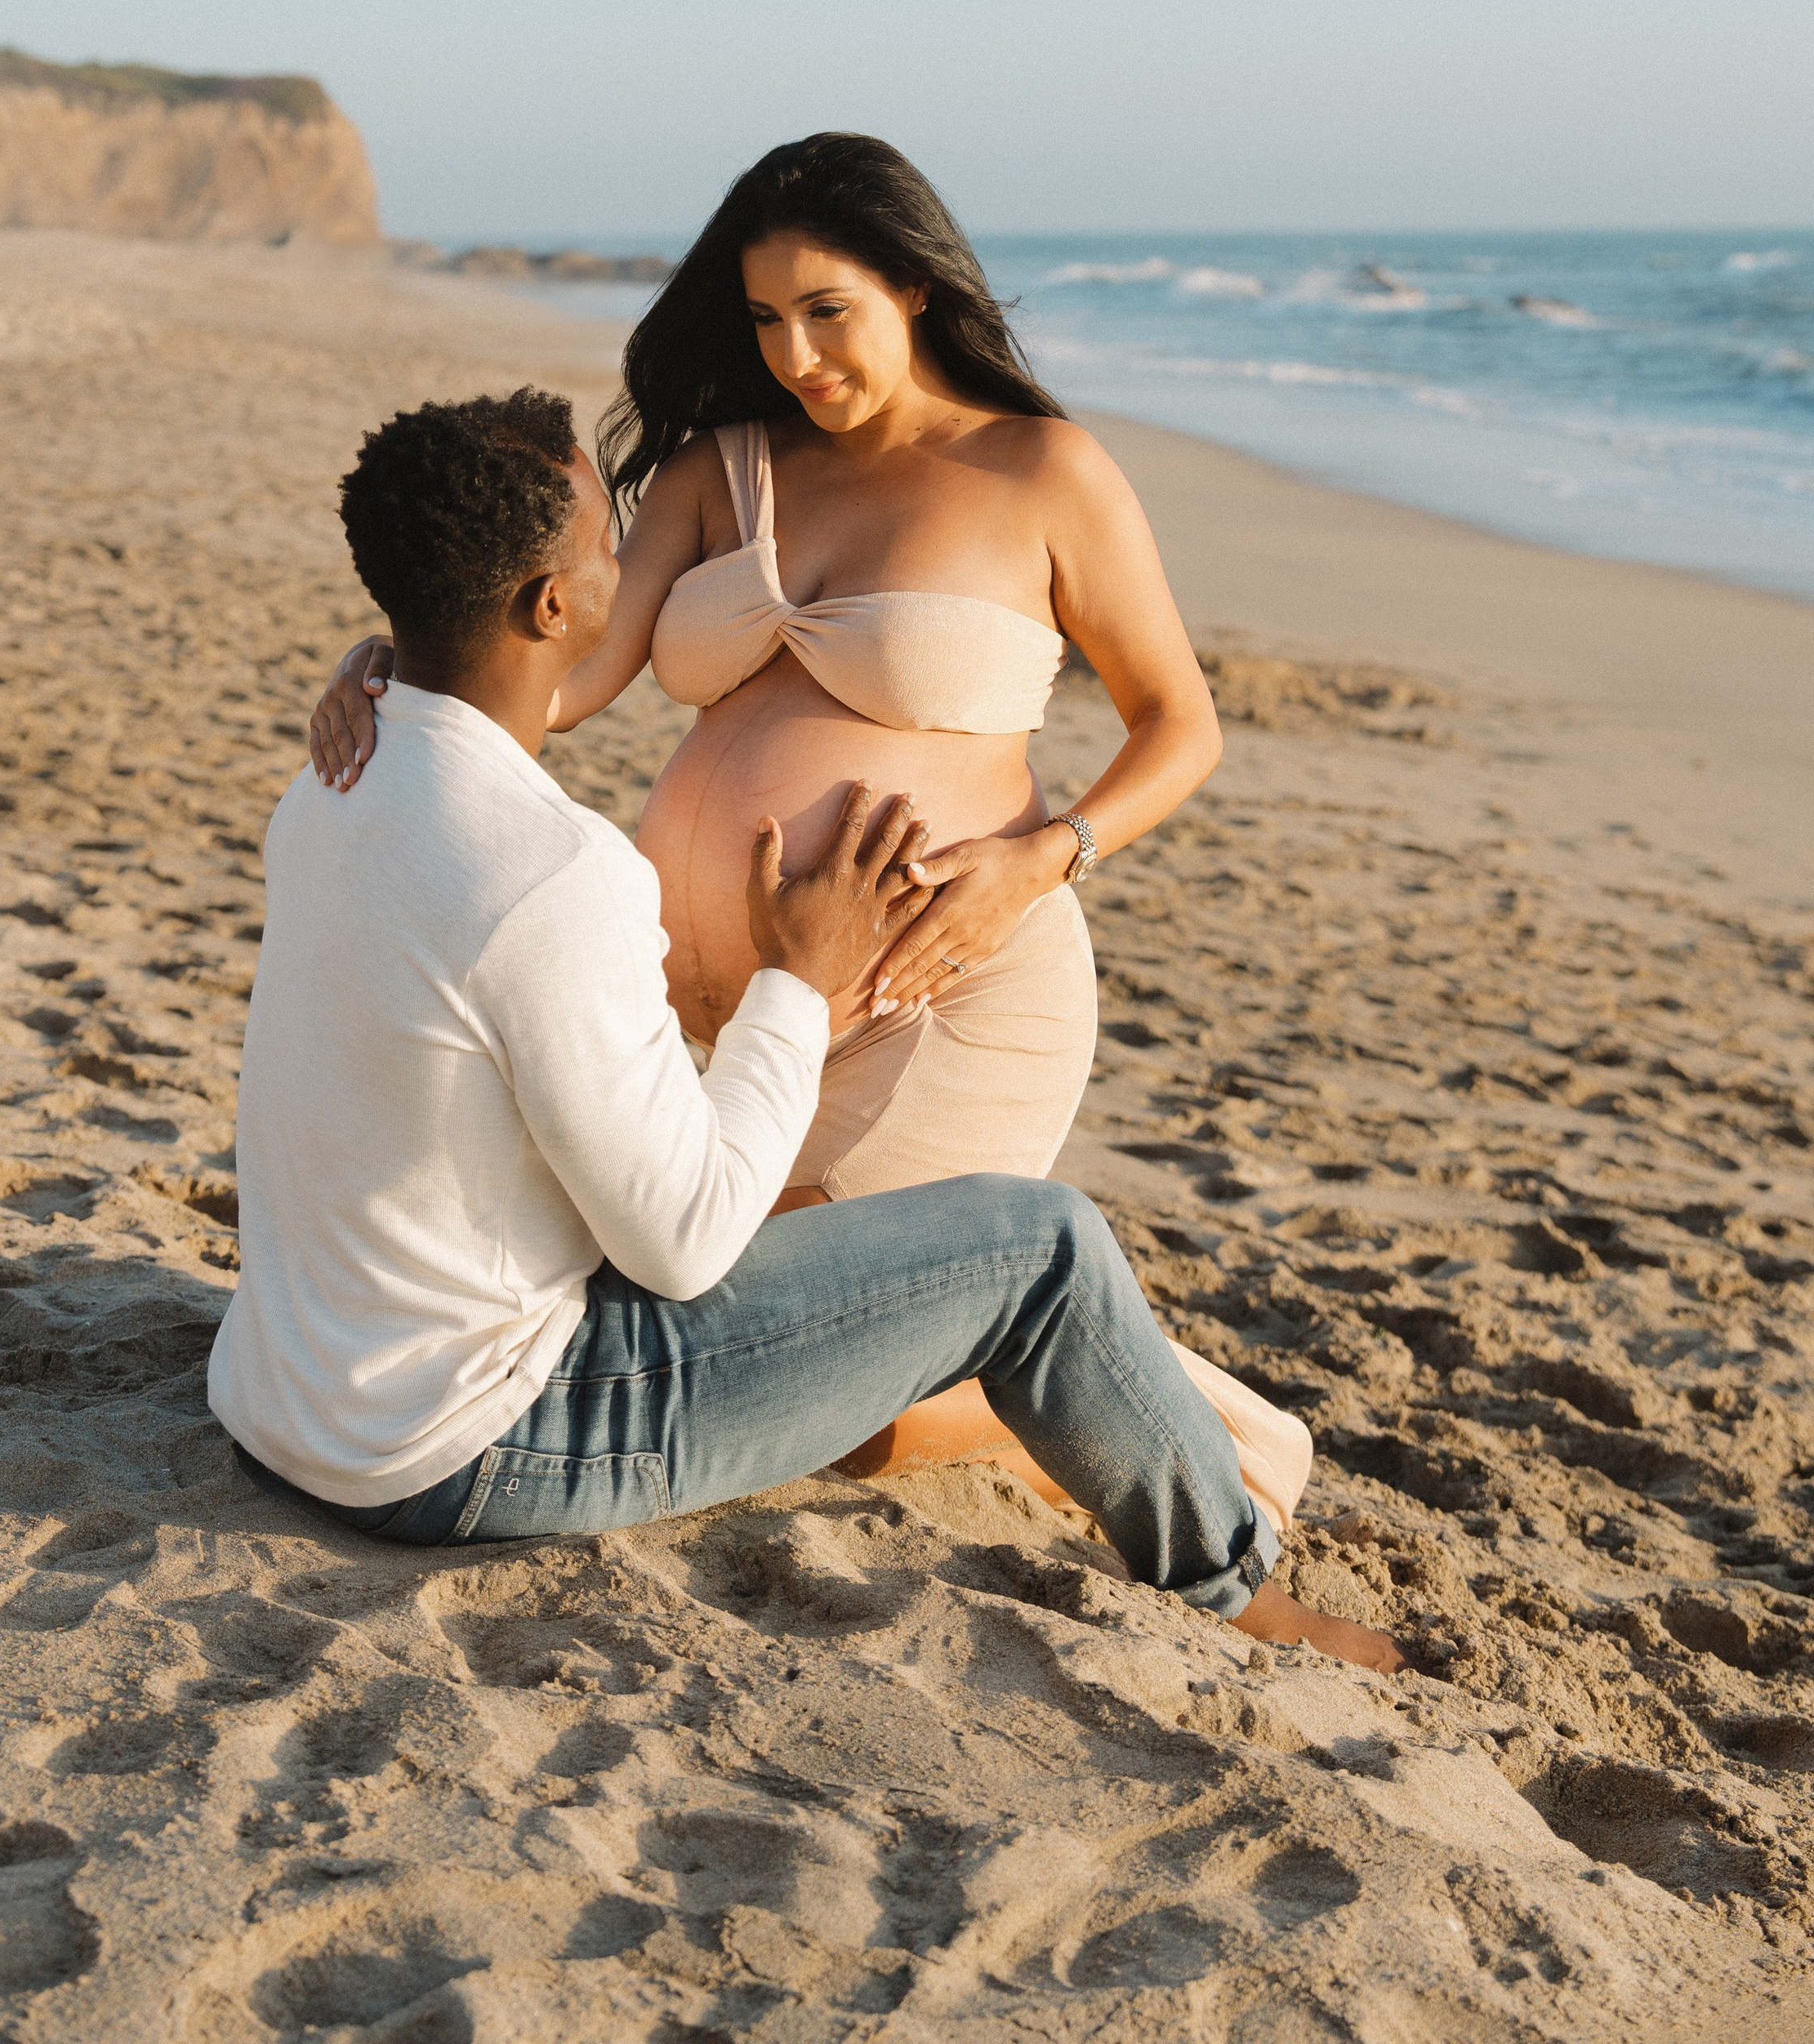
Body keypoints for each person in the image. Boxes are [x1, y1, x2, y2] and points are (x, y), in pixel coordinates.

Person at [217, 389, 1396, 1672]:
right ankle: (1239, 1591)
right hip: (471, 1447)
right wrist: (800, 980)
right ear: (553, 608)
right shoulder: (550, 871)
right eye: (605, 544)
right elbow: (679, 1248)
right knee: (1041, 1245)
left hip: (288, 1403)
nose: (632, 558)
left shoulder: (337, 780)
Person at [310, 135, 1311, 1538]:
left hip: (943, 988)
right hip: (727, 1011)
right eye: (766, 320)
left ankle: (1219, 1441)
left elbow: (1179, 727)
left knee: (841, 1389)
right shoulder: (724, 469)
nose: (794, 356)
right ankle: (1068, 1373)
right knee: (745, 1324)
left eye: (826, 311)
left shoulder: (1044, 473)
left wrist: (1045, 857)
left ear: (912, 285)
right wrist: (397, 652)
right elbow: (563, 672)